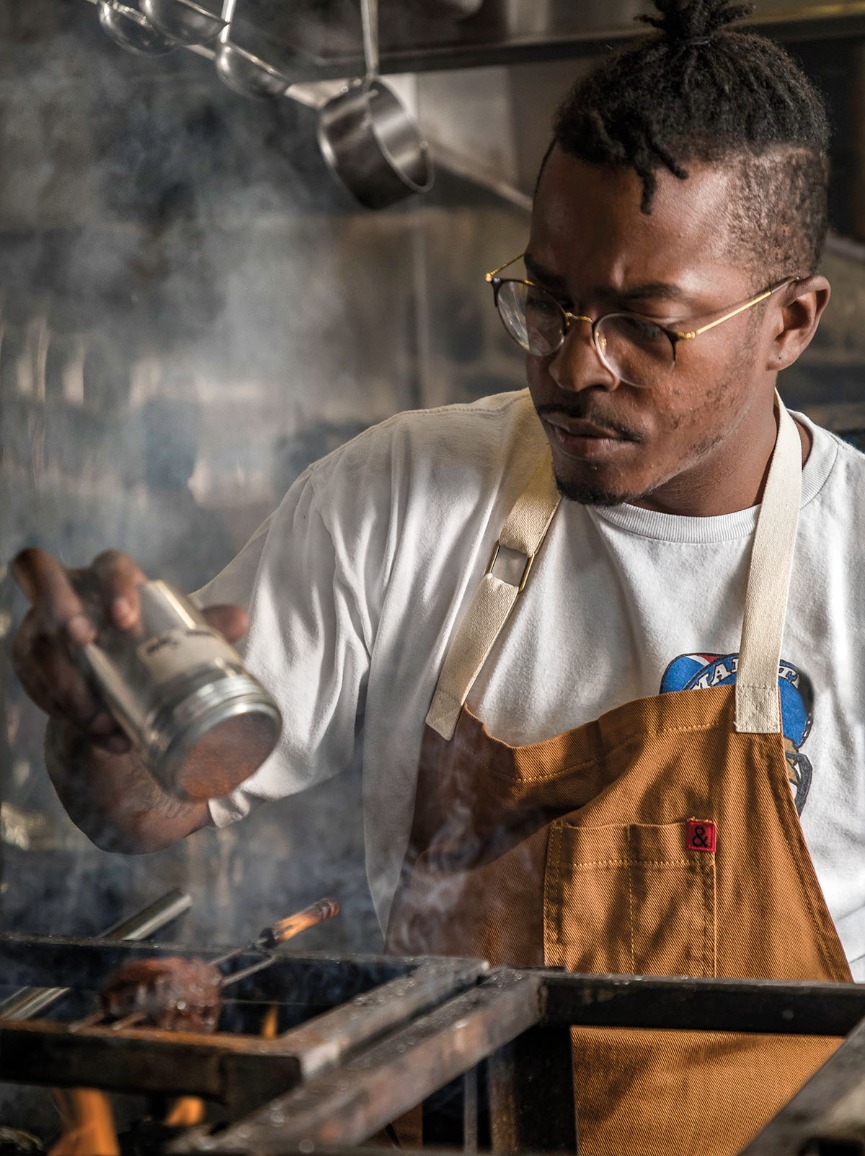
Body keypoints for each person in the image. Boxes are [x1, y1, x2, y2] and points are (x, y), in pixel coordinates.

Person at [10, 0, 865, 1151]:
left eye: (644, 324)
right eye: (546, 300)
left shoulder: (851, 562)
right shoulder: (396, 495)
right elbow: (149, 809)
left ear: (791, 323)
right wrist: (109, 729)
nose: (570, 364)